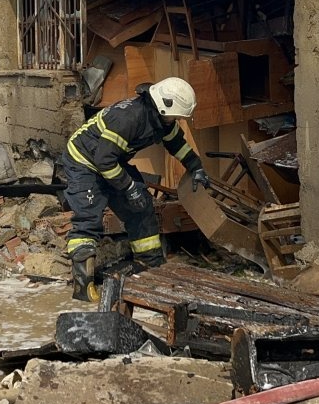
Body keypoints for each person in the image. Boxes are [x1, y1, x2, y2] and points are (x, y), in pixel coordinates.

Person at [62, 77, 211, 302]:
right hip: (84, 162)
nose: (178, 120)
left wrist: (196, 166)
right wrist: (129, 187)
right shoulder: (129, 119)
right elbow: (104, 162)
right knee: (88, 220)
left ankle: (149, 269)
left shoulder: (162, 120)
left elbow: (176, 143)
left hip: (111, 160)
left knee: (141, 208)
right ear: (164, 105)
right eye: (178, 116)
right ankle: (83, 287)